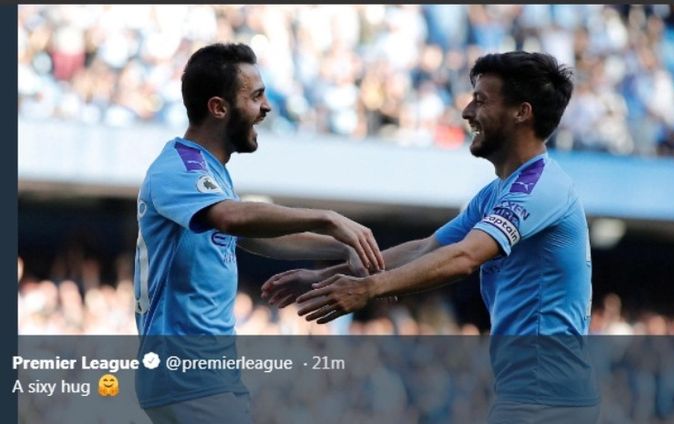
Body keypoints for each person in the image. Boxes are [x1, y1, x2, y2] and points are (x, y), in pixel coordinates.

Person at [263, 51, 600, 423]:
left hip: (548, 401)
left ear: (522, 112)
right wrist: (321, 278)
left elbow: (465, 258)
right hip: (532, 396)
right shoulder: (497, 193)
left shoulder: (540, 187)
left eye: (481, 100)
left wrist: (369, 289)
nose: (467, 111)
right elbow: (428, 248)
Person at [133, 42, 384, 424]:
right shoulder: (178, 167)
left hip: (203, 373)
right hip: (187, 372)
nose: (266, 107)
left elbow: (252, 234)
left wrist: (340, 245)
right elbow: (233, 219)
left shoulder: (210, 173)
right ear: (218, 107)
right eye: (256, 96)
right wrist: (326, 218)